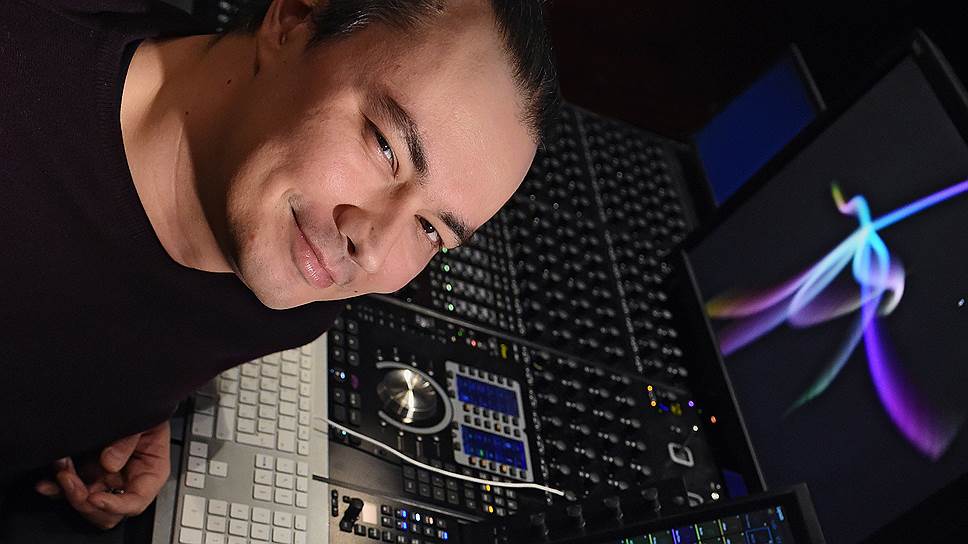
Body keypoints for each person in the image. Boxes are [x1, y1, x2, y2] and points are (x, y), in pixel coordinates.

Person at [0, 0, 558, 535]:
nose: (373, 249)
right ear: (293, 20)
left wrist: (122, 406)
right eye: (386, 146)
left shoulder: (298, 283)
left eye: (431, 229)